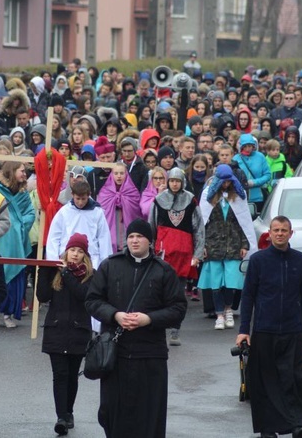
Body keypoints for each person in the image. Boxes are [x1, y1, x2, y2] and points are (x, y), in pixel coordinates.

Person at [85, 219, 187, 438]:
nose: (134, 240)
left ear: (149, 241)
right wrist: (115, 315)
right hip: (116, 353)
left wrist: (148, 319)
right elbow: (93, 300)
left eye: (139, 236)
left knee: (149, 414)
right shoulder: (110, 265)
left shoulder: (163, 270)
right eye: (131, 236)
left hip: (150, 355)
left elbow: (178, 309)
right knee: (112, 412)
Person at [236, 216, 302, 438]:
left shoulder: (300, 260)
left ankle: (299, 424)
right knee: (264, 381)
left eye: (284, 230)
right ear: (269, 233)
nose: (280, 233)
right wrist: (243, 330)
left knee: (296, 378)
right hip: (264, 329)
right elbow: (248, 295)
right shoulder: (259, 260)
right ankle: (268, 428)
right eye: (276, 230)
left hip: (292, 329)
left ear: (291, 233)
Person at [36, 233, 94, 436]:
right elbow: (42, 296)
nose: (75, 255)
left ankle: (69, 411)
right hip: (56, 330)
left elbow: (83, 295)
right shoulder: (56, 272)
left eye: (79, 251)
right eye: (72, 250)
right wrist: (44, 268)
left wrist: (67, 274)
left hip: (79, 331)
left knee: (72, 376)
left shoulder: (90, 275)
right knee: (60, 375)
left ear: (85, 255)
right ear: (66, 251)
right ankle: (61, 417)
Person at [148, 167, 205, 346]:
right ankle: (159, 327)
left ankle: (175, 330)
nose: (174, 184)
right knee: (159, 292)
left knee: (178, 294)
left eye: (177, 181)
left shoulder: (190, 200)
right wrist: (150, 251)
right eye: (172, 180)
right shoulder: (158, 200)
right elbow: (152, 227)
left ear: (182, 182)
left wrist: (197, 254)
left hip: (183, 254)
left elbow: (198, 229)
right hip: (163, 254)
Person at [198, 165, 256, 330]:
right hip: (213, 244)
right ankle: (219, 315)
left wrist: (245, 244)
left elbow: (244, 223)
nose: (225, 184)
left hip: (234, 245)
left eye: (228, 181)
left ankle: (228, 309)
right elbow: (203, 223)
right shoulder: (208, 196)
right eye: (222, 181)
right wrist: (201, 246)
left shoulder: (238, 196)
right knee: (216, 283)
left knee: (231, 282)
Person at [0, 162, 35, 328]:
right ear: (12, 171)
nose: (25, 174)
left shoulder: (24, 194)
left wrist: (19, 225)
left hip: (17, 241)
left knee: (16, 277)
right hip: (0, 239)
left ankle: (8, 313)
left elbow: (30, 213)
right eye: (22, 171)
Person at [47, 180, 113, 269]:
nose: (80, 202)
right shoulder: (64, 212)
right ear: (72, 194)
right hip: (67, 259)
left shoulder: (97, 212)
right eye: (78, 198)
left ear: (89, 195)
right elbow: (54, 237)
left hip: (91, 260)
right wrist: (54, 260)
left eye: (83, 199)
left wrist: (105, 264)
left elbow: (104, 238)